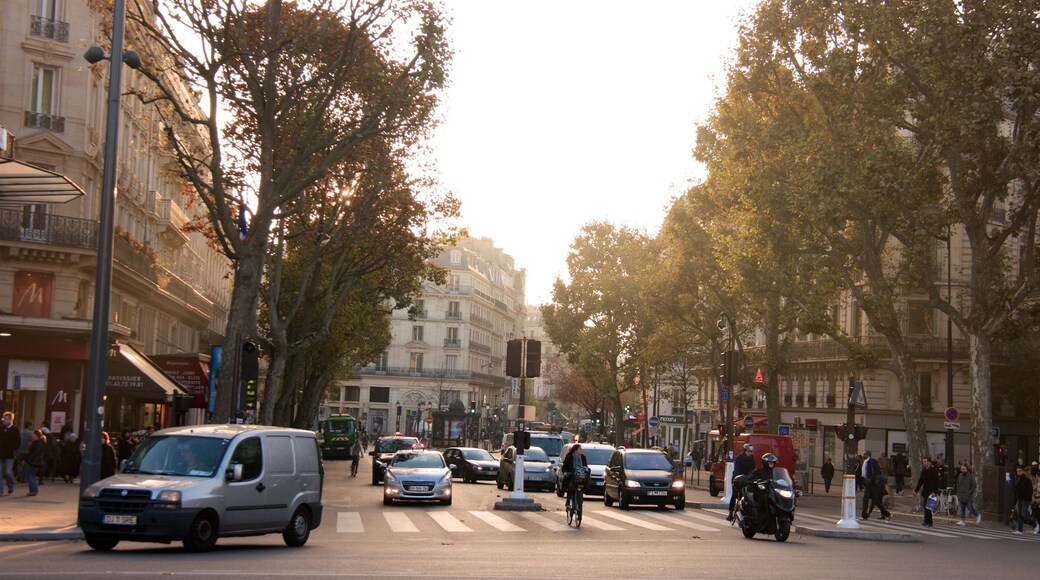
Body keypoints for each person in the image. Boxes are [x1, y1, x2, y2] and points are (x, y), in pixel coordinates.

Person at [727, 444, 757, 522]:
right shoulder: (739, 458)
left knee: (749, 494)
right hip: (737, 479)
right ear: (744, 451)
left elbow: (753, 470)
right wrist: (737, 476)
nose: (750, 453)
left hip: (747, 479)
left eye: (751, 451)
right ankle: (730, 513)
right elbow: (736, 469)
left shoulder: (753, 460)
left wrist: (752, 477)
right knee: (734, 494)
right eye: (748, 451)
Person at [861, 450, 891, 521]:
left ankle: (887, 514)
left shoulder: (872, 461)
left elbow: (877, 472)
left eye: (864, 454)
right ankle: (864, 515)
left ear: (867, 455)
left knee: (876, 501)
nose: (863, 455)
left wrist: (871, 478)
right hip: (868, 484)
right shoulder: (865, 462)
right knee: (865, 499)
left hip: (874, 485)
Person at [560, 444, 589, 510]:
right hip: (571, 476)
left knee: (583, 486)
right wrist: (565, 473)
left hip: (580, 476)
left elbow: (585, 466)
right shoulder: (569, 456)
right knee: (570, 486)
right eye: (580, 449)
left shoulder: (583, 457)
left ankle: (580, 502)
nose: (581, 450)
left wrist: (588, 472)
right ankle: (568, 502)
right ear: (575, 450)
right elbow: (565, 466)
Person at [915, 456, 940, 528]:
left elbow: (937, 482)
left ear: (929, 462)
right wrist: (916, 490)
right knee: (925, 506)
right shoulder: (924, 471)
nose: (924, 463)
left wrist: (935, 492)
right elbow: (920, 481)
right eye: (923, 462)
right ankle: (928, 521)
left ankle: (928, 522)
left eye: (925, 461)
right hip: (925, 491)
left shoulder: (933, 471)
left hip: (931, 492)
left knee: (928, 507)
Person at [0, 412, 21, 496]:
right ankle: (0, 490)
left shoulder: (15, 430)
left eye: (6, 419)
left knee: (8, 472)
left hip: (9, 455)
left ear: (10, 420)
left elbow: (18, 442)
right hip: (0, 454)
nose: (4, 420)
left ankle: (11, 485)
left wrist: (15, 450)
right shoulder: (1, 429)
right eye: (3, 418)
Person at [1012, 464, 1034, 535]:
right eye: (1017, 471)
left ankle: (1035, 523)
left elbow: (1030, 490)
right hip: (1020, 498)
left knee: (1024, 514)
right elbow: (1016, 489)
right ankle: (1020, 530)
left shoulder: (1027, 480)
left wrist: (1027, 497)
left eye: (1020, 471)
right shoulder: (1017, 479)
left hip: (1025, 499)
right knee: (1019, 515)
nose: (1018, 472)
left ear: (1023, 471)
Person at [23, 429, 46, 496]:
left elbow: (34, 453)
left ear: (36, 435)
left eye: (33, 434)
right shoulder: (39, 442)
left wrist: (28, 460)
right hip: (36, 461)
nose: (31, 435)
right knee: (31, 475)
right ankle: (34, 489)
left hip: (34, 461)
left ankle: (33, 489)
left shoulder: (37, 443)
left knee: (29, 474)